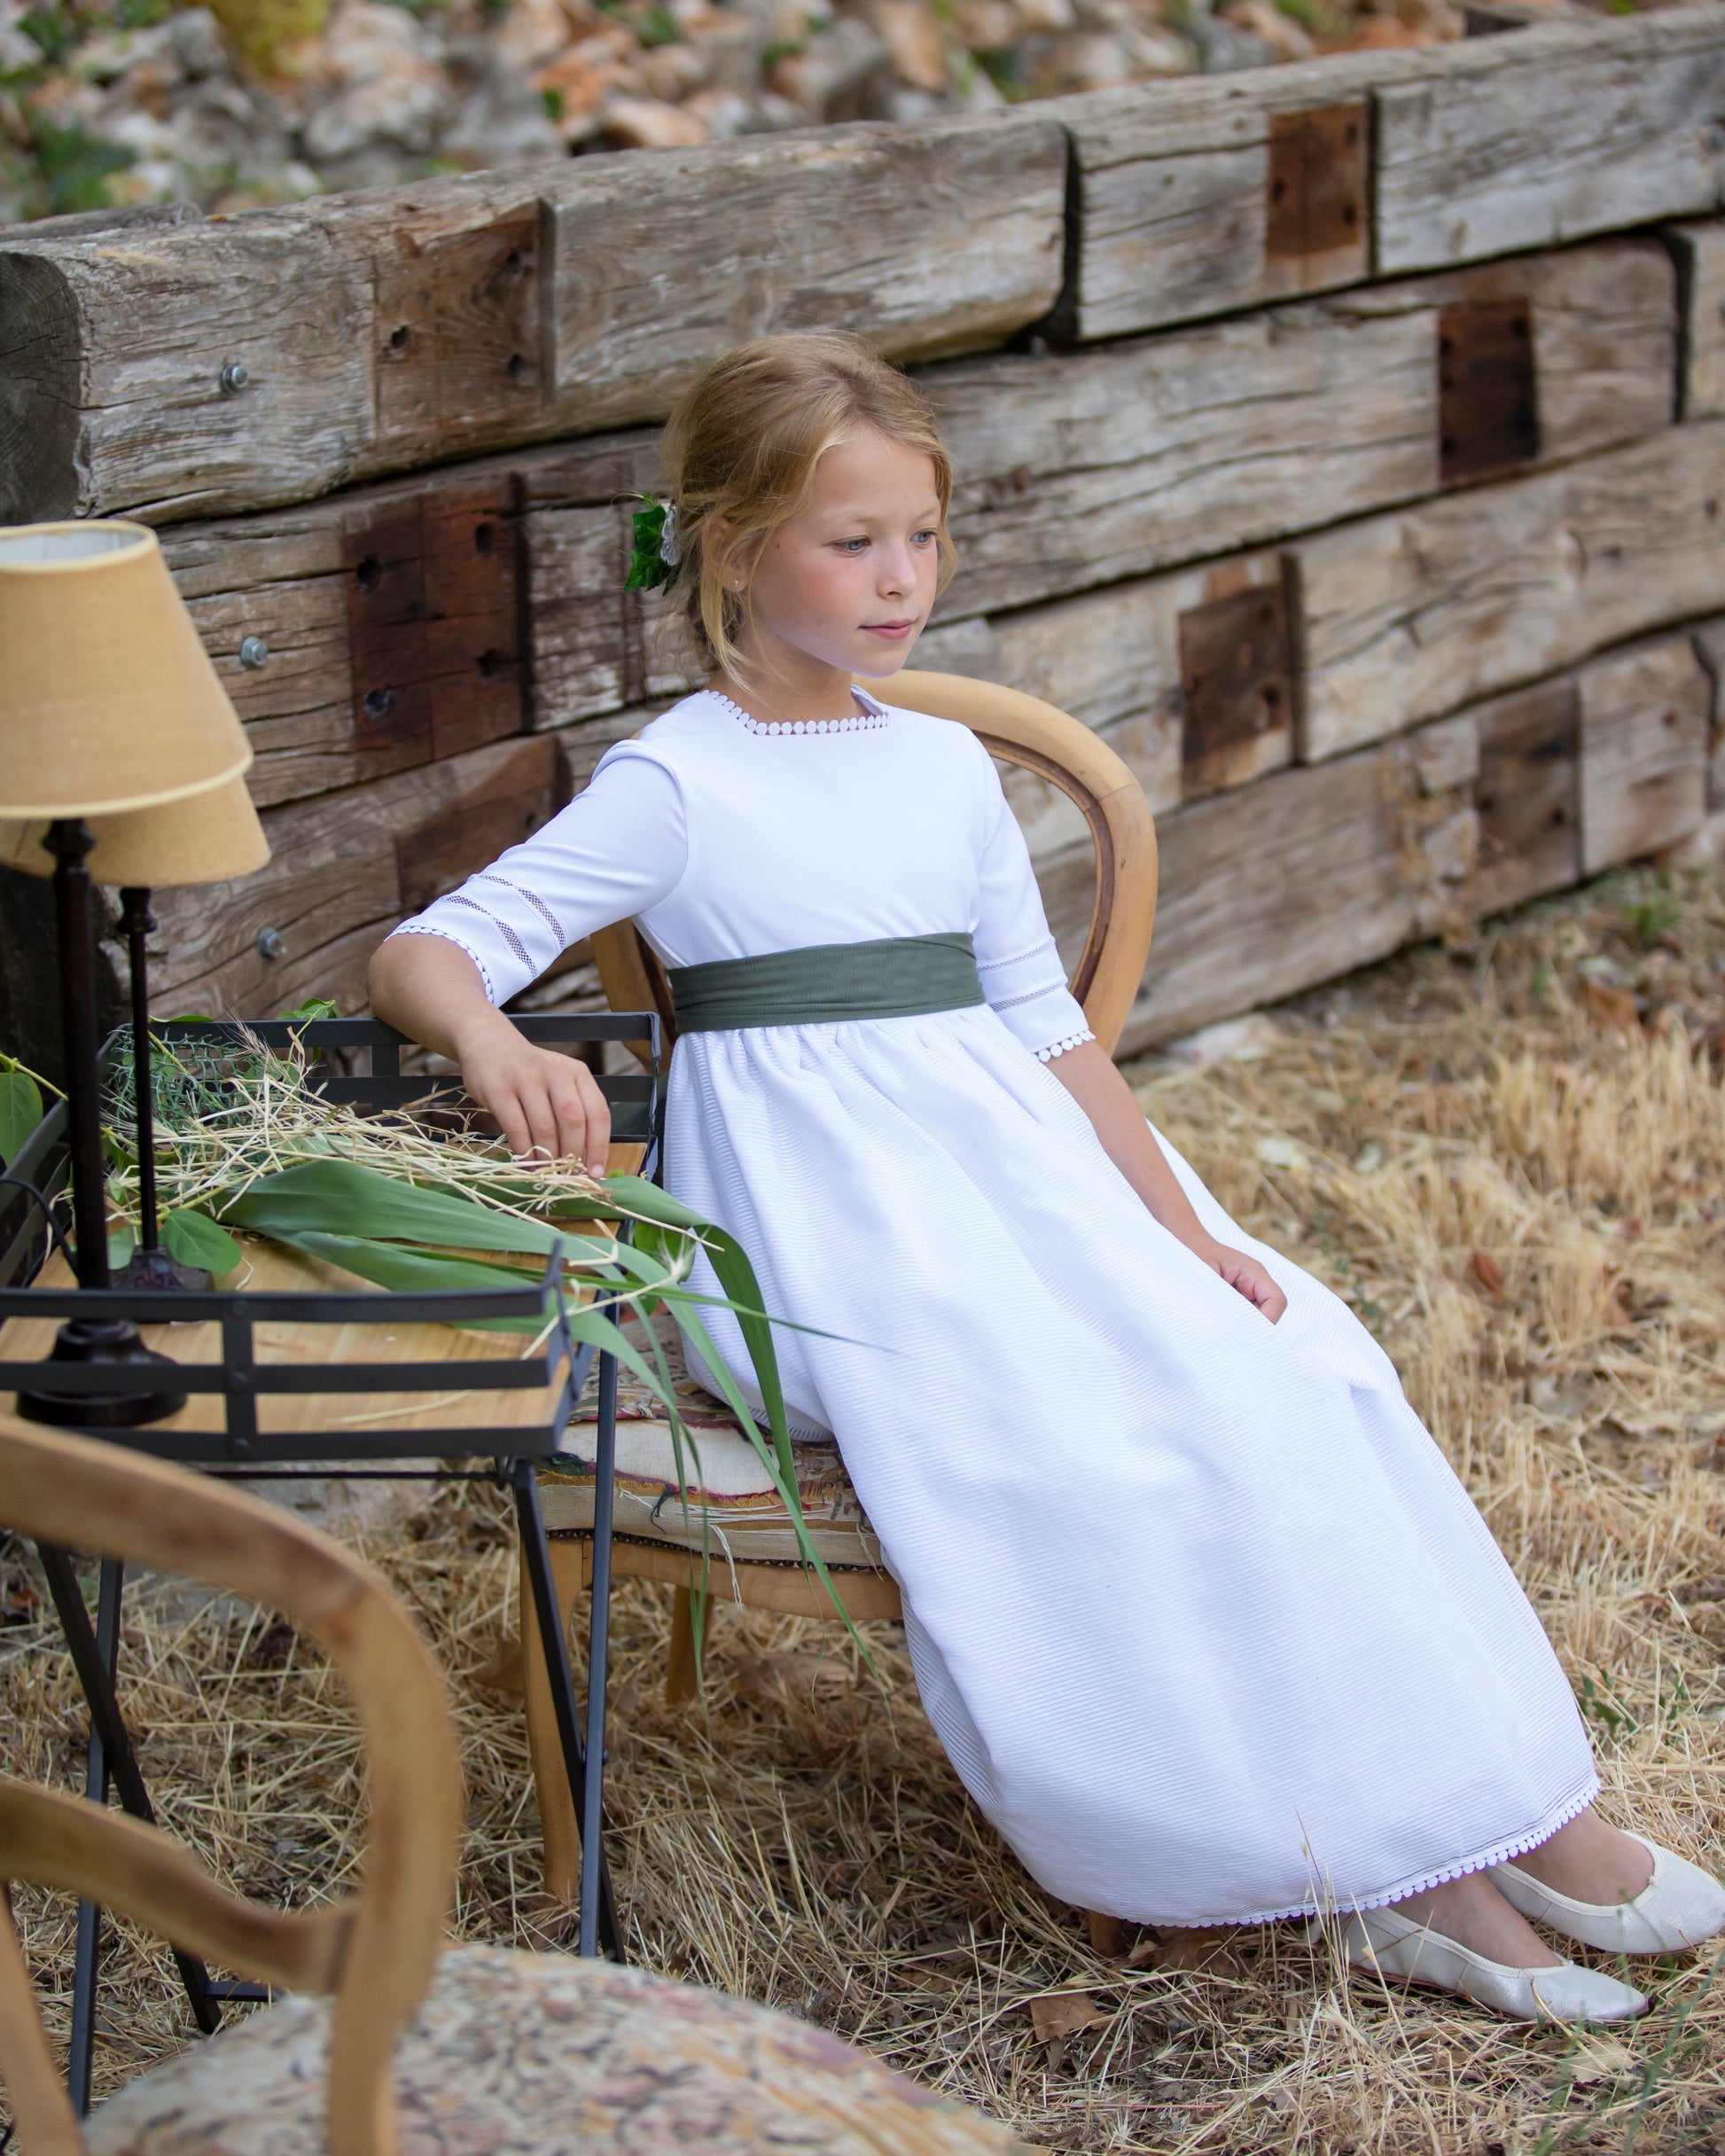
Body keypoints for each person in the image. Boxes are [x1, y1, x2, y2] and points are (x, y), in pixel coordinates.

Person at [370, 332, 1725, 2021]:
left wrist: (1175, 1231)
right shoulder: (680, 781)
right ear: (731, 551)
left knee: (1298, 1361)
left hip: (1005, 1187)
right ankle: (1390, 1868)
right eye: (852, 542)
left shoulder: (938, 762)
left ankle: (1508, 1815)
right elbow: (426, 949)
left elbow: (1047, 1029)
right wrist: (495, 1041)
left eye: (923, 537)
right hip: (823, 1243)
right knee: (1135, 1422)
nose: (901, 580)